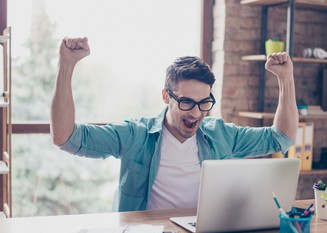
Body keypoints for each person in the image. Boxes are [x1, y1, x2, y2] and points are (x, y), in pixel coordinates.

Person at [51, 37, 298, 212]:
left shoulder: (221, 134)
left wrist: (286, 79)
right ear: (166, 96)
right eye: (187, 102)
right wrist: (67, 65)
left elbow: (282, 137)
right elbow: (66, 137)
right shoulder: (135, 135)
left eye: (204, 103)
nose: (196, 113)